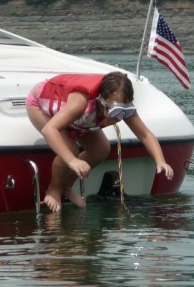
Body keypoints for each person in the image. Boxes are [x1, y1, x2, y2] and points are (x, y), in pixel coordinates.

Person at [26, 71, 173, 212]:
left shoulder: (122, 107)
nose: (119, 117)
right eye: (115, 112)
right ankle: (54, 189)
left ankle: (66, 185)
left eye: (124, 111)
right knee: (71, 149)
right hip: (40, 106)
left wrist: (160, 161)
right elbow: (49, 129)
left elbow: (145, 135)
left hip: (78, 120)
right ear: (101, 101)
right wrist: (72, 160)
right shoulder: (81, 102)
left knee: (101, 149)